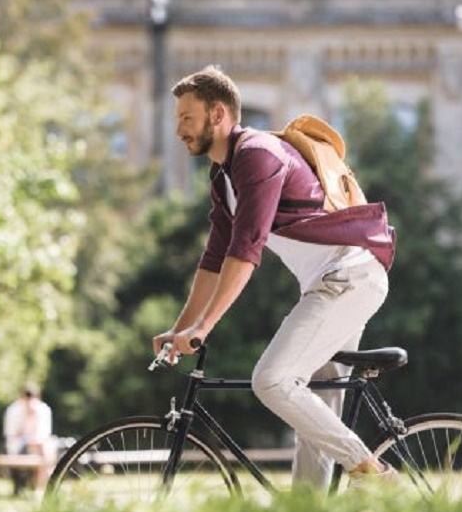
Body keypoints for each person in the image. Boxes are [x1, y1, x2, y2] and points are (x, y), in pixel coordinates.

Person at [152, 66, 398, 489]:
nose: (179, 130)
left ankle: (372, 472)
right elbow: (213, 259)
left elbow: (246, 249)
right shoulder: (223, 176)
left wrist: (203, 328)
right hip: (337, 283)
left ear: (217, 114)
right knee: (314, 412)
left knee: (271, 380)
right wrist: (181, 328)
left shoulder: (258, 154)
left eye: (186, 118)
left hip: (347, 277)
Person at [3, 383, 56, 490]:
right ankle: (43, 484)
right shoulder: (14, 410)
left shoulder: (43, 409)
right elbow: (11, 434)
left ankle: (41, 484)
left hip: (39, 445)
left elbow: (45, 434)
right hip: (20, 445)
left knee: (45, 447)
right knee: (43, 450)